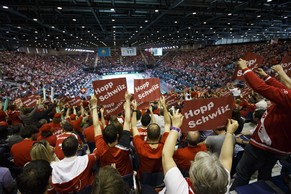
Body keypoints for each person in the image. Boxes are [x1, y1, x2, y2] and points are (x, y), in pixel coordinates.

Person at [231, 60, 291, 189]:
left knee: (242, 174)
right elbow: (285, 89)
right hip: (280, 148)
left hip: (263, 145)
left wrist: (245, 69)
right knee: (265, 176)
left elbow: (260, 88)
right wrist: (267, 77)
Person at [161, 108, 238, 194]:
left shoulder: (180, 190)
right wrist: (229, 133)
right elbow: (226, 159)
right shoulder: (221, 182)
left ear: (192, 178)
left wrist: (175, 126)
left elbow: (166, 155)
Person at [91, 92, 133, 177]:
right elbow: (128, 121)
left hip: (108, 179)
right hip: (125, 180)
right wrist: (127, 101)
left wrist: (94, 106)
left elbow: (95, 126)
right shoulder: (124, 146)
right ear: (118, 135)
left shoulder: (101, 148)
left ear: (104, 138)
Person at [131, 96, 170, 178]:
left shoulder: (141, 147)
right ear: (160, 136)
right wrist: (163, 105)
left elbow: (133, 126)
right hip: (161, 179)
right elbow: (167, 124)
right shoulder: (165, 146)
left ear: (147, 136)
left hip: (144, 179)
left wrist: (135, 109)